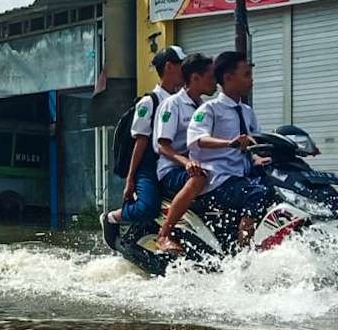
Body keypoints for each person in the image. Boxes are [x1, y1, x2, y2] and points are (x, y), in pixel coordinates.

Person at [101, 45, 186, 248]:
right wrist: (131, 178)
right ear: (169, 67)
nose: (186, 70)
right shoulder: (150, 102)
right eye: (181, 65)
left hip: (173, 164)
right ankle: (111, 218)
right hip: (148, 166)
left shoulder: (181, 101)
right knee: (147, 207)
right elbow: (141, 141)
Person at [188, 50, 270, 247]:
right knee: (258, 193)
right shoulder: (209, 109)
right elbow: (198, 138)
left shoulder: (247, 111)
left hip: (242, 176)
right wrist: (229, 143)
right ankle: (244, 250)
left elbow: (256, 141)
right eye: (246, 75)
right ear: (228, 78)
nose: (252, 80)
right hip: (219, 180)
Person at [153, 53, 217, 254]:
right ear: (195, 78)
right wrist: (186, 162)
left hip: (201, 166)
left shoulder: (207, 107)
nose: (215, 81)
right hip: (172, 169)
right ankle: (164, 234)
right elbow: (162, 145)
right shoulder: (173, 104)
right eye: (211, 76)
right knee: (198, 180)